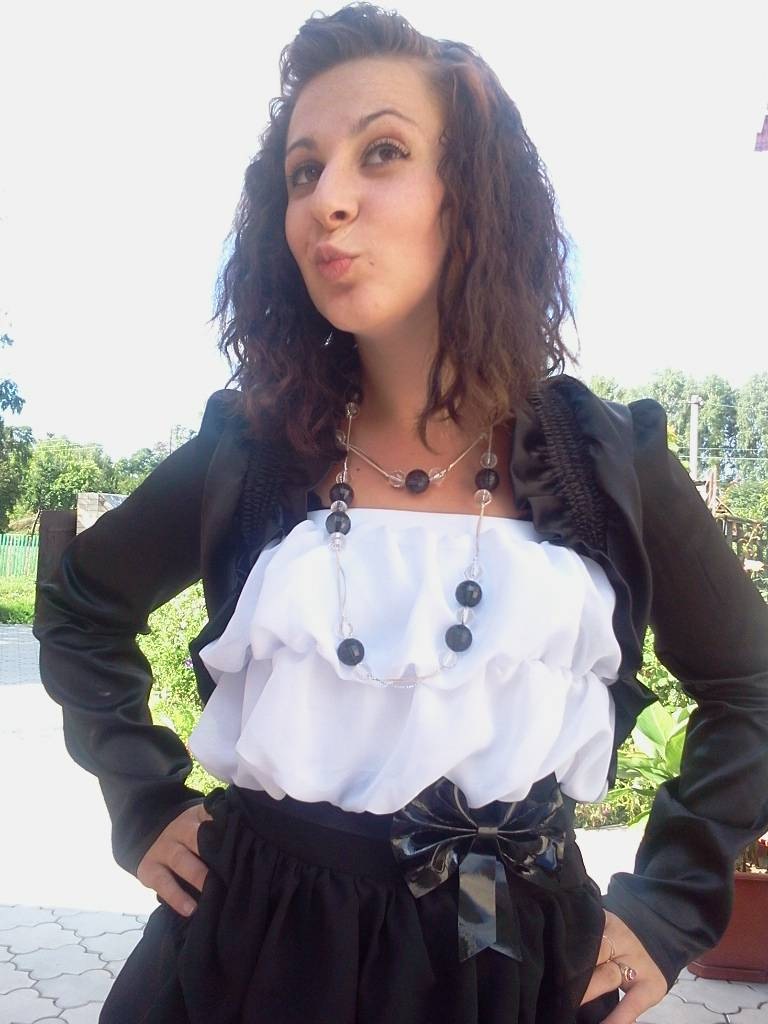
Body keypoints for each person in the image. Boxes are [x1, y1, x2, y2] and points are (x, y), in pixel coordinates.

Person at [33, 4, 768, 1023]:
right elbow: (80, 609)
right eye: (302, 171)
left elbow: (750, 686)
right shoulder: (250, 447)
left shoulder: (604, 458)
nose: (327, 200)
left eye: (381, 152)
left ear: (472, 191)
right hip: (254, 945)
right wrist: (144, 801)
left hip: (498, 942)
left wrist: (670, 906)